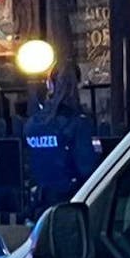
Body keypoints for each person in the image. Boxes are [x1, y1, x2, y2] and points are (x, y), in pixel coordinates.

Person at [23, 68, 97, 214]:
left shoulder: (32, 124)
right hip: (70, 204)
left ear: (49, 85)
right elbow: (88, 168)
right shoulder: (79, 124)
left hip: (37, 204)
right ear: (78, 85)